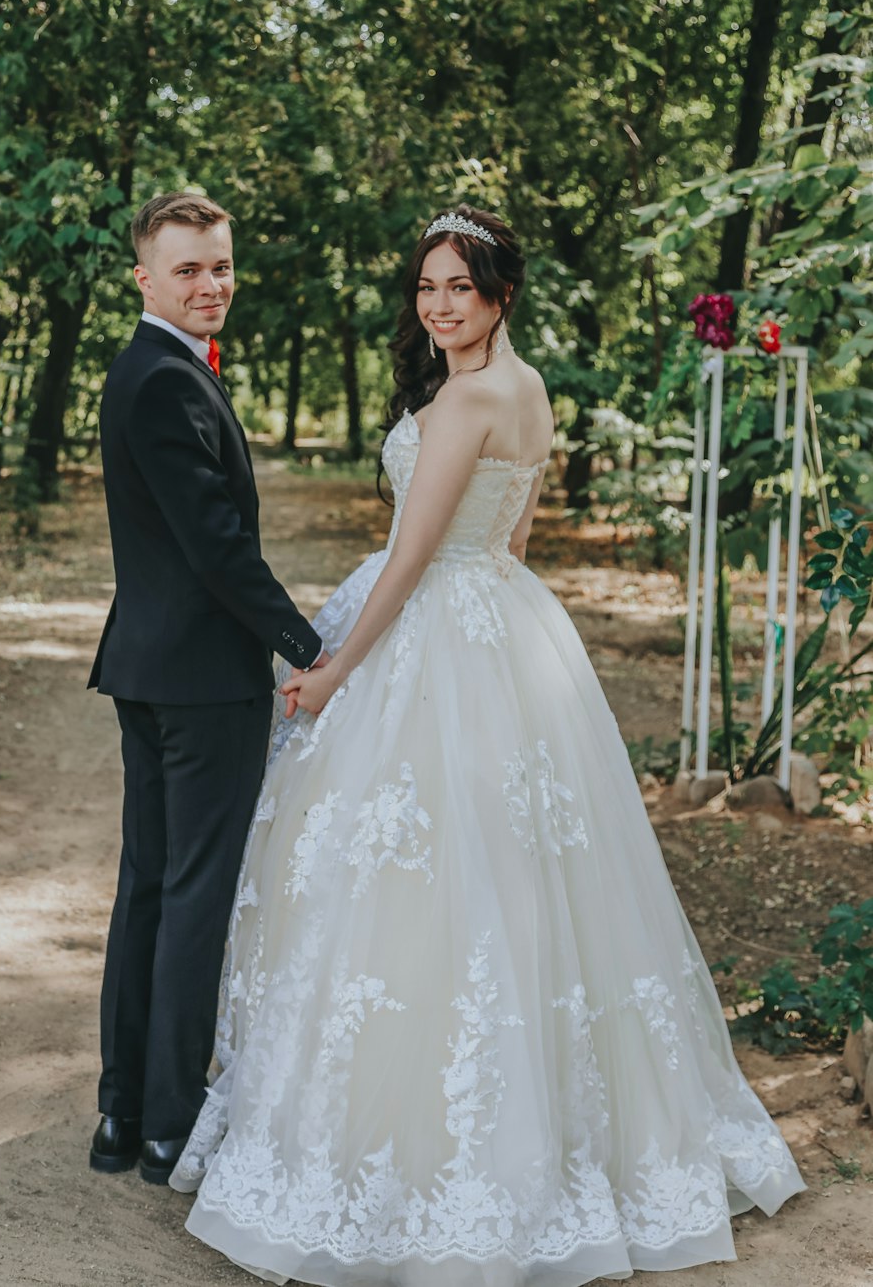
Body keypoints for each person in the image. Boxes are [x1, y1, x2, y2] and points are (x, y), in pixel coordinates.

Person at [170, 204, 804, 1284]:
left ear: (498, 293)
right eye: (426, 287)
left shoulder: (464, 399)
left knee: (421, 882)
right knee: (526, 882)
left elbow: (413, 556)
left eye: (458, 287)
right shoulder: (529, 388)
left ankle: (416, 1159)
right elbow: (511, 538)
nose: (437, 304)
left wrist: (331, 674)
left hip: (429, 634)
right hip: (510, 626)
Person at [87, 192, 326, 1185]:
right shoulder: (162, 383)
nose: (210, 284)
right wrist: (306, 646)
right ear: (144, 278)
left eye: (220, 266)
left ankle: (122, 1113)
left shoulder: (156, 370)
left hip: (150, 667)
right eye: (187, 269)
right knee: (189, 895)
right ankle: (166, 1127)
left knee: (150, 884)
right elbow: (216, 547)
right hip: (198, 680)